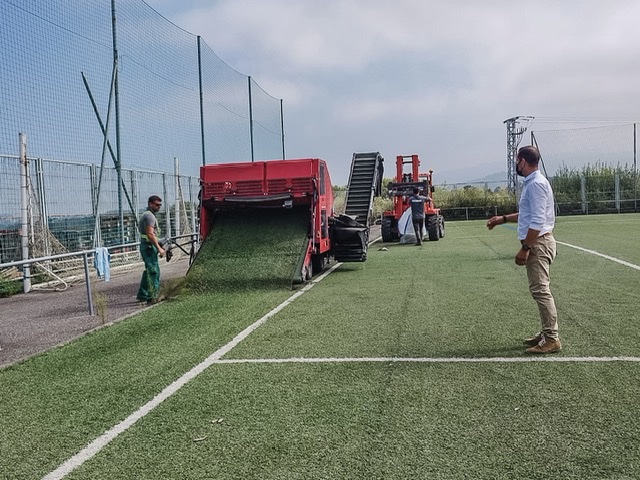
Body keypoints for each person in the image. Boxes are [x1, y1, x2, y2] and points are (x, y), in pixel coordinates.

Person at [487, 145, 560, 354]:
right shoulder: (535, 182)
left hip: (538, 244)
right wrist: (502, 219)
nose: (516, 165)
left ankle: (552, 339)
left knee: (541, 291)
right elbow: (528, 213)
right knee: (540, 290)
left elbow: (537, 220)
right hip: (541, 242)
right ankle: (547, 332)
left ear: (522, 162)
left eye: (517, 161)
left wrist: (526, 248)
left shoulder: (535, 184)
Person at [137, 195, 165, 305]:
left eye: (160, 205)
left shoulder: (148, 215)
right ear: (150, 204)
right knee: (153, 271)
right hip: (148, 247)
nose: (159, 207)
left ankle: (143, 294)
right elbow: (150, 234)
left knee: (149, 270)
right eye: (157, 205)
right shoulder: (150, 217)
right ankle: (152, 296)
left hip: (148, 245)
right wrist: (159, 248)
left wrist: (159, 245)